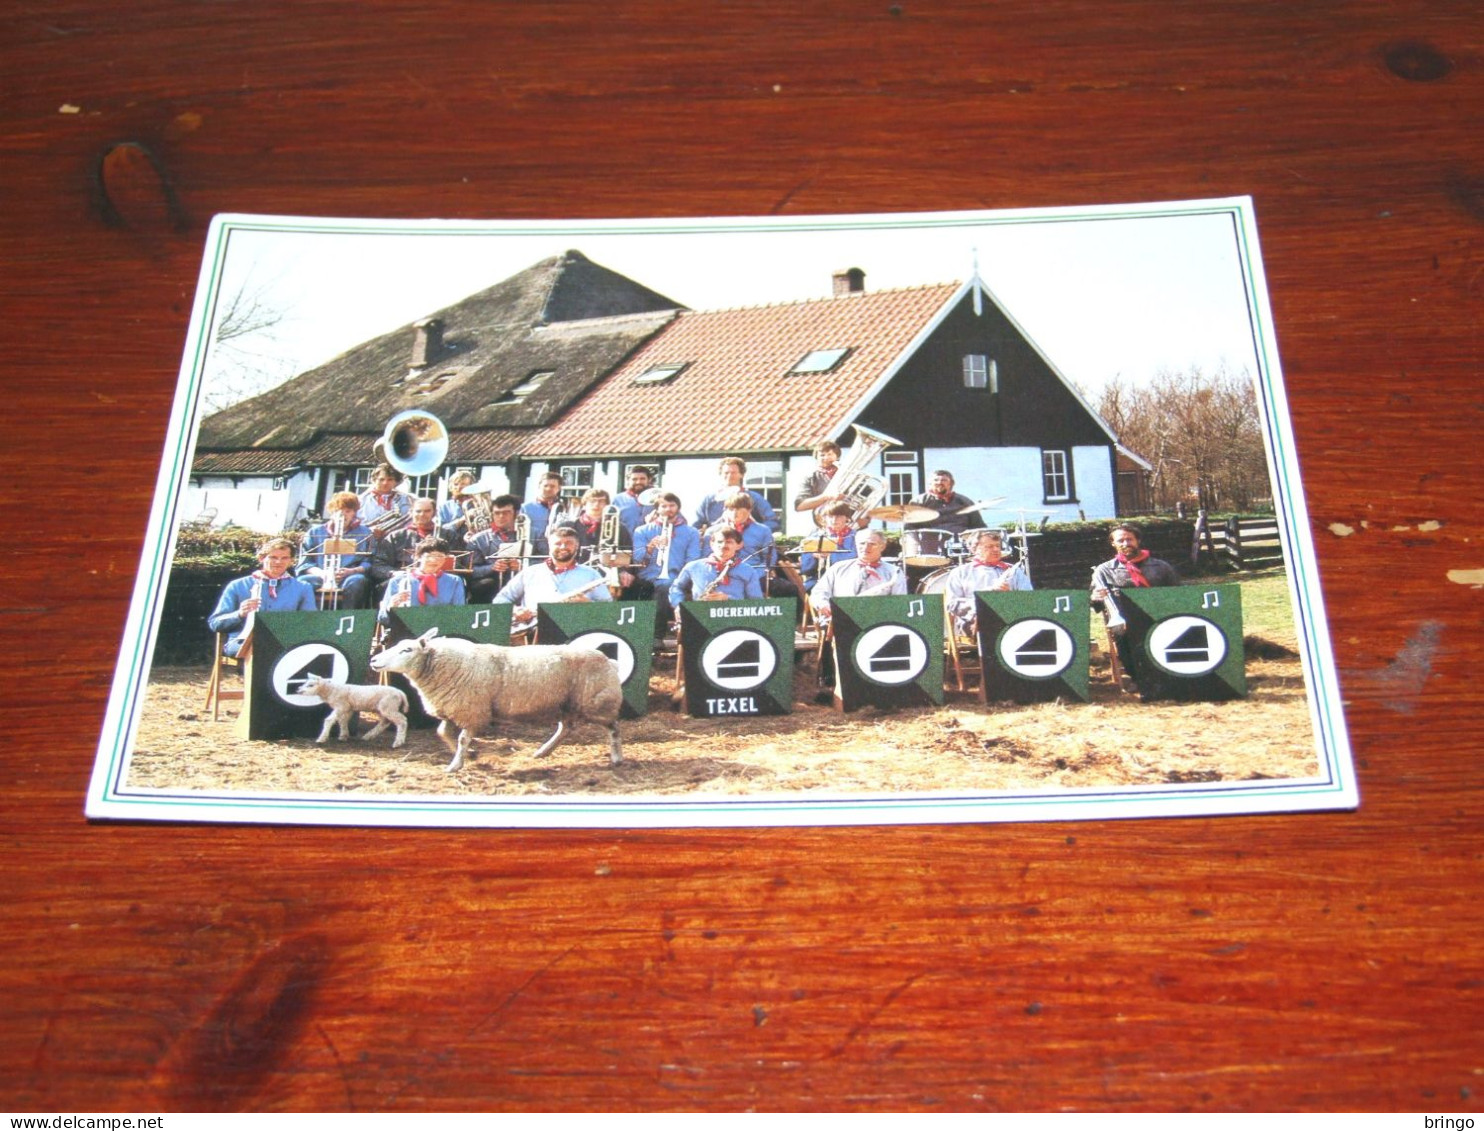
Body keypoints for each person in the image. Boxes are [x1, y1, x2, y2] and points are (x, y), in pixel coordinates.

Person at [1090, 523, 1180, 683]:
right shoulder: (1104, 570)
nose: (1126, 544)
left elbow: (1179, 594)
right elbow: (1096, 603)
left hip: (1160, 615)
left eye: (1129, 539)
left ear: (1138, 540)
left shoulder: (1161, 567)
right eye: (1121, 540)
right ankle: (1141, 679)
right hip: (1126, 621)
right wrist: (1095, 597)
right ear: (1113, 544)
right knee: (1122, 632)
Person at [207, 538, 318, 657]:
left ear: (291, 561)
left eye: (284, 558)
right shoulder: (237, 585)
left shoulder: (303, 587)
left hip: (285, 641)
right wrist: (240, 614)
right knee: (263, 647)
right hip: (243, 641)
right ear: (261, 558)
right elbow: (215, 623)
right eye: (273, 557)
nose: (278, 562)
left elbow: (309, 623)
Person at [495, 523, 612, 630]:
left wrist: (588, 604)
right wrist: (516, 611)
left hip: (577, 631)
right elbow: (500, 599)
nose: (563, 547)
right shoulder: (530, 572)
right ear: (549, 546)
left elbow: (608, 610)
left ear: (577, 546)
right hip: (534, 631)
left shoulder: (591, 574)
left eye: (568, 543)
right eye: (558, 543)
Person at [631, 492, 703, 638]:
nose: (668, 509)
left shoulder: (691, 532)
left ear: (678, 508)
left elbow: (693, 559)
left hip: (677, 576)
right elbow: (637, 560)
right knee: (660, 586)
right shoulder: (642, 530)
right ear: (657, 509)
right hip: (648, 576)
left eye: (672, 505)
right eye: (663, 506)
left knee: (665, 585)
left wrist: (682, 577)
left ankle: (657, 636)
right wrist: (650, 547)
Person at [944, 529, 1032, 639]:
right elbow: (951, 604)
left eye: (998, 546)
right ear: (974, 549)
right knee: (984, 615)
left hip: (1009, 619)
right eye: (989, 546)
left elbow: (1029, 600)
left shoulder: (1014, 571)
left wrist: (1010, 596)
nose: (996, 549)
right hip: (973, 622)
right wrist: (984, 599)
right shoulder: (961, 573)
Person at [296, 491, 376, 608]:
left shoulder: (365, 533)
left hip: (349, 576)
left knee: (357, 582)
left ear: (354, 512)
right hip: (320, 575)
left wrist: (351, 571)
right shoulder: (315, 532)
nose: (343, 515)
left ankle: (346, 618)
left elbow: (369, 561)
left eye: (348, 511)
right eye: (338, 511)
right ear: (331, 512)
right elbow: (305, 562)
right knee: (304, 582)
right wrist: (324, 574)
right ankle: (310, 620)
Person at [809, 529, 906, 622]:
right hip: (841, 622)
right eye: (862, 543)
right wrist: (824, 605)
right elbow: (819, 592)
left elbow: (900, 603)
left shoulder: (894, 572)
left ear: (882, 547)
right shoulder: (838, 568)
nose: (866, 548)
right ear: (856, 545)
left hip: (878, 624)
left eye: (872, 544)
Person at [722, 492, 798, 602]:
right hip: (725, 575)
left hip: (755, 573)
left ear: (749, 510)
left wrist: (754, 576)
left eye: (739, 509)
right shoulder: (716, 532)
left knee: (789, 589)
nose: (734, 513)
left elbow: (770, 559)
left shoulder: (763, 530)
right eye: (731, 509)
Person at [669, 526, 765, 610]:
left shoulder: (748, 571)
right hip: (700, 616)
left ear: (739, 545)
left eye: (729, 542)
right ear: (711, 544)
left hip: (734, 620)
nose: (723, 545)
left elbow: (756, 602)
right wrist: (678, 606)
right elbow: (676, 588)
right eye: (719, 542)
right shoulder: (693, 566)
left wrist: (727, 599)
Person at [378, 536, 467, 624]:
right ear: (418, 557)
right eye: (429, 556)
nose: (434, 560)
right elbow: (382, 619)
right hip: (406, 631)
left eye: (440, 556)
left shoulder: (454, 581)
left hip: (440, 629)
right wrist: (391, 607)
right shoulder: (398, 581)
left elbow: (458, 616)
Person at [369, 497, 444, 598]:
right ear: (411, 512)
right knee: (386, 586)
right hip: (403, 578)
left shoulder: (448, 535)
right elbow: (378, 565)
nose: (422, 514)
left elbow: (458, 563)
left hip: (439, 578)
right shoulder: (395, 536)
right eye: (418, 511)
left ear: (434, 513)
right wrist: (394, 573)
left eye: (427, 511)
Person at [464, 493, 527, 603]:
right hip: (491, 588)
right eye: (497, 513)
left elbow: (545, 562)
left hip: (523, 583)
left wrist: (523, 565)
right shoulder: (477, 539)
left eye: (506, 513)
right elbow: (470, 571)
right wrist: (492, 567)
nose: (501, 517)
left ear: (516, 514)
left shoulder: (533, 534)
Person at [692, 457, 780, 534]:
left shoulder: (755, 498)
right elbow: (696, 524)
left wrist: (754, 532)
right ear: (720, 474)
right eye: (726, 473)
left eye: (733, 472)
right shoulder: (709, 500)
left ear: (741, 475)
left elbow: (772, 522)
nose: (729, 476)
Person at [904, 469, 984, 538]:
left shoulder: (965, 501)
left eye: (944, 480)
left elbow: (979, 526)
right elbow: (909, 529)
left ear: (951, 484)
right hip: (930, 545)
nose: (939, 482)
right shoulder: (919, 502)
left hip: (961, 545)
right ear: (930, 484)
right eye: (935, 480)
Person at [797, 504, 858, 595]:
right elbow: (805, 569)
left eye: (839, 516)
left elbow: (855, 559)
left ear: (847, 518)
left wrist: (831, 554)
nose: (834, 520)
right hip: (819, 580)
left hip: (848, 579)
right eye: (830, 516)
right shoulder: (815, 536)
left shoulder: (855, 536)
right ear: (824, 518)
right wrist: (814, 556)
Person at [793, 440, 850, 521]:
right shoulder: (810, 478)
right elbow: (799, 506)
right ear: (816, 457)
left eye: (830, 454)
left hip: (851, 522)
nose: (826, 458)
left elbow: (866, 499)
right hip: (825, 522)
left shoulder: (849, 474)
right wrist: (826, 497)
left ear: (837, 457)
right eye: (822, 455)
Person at [520, 471, 568, 554]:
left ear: (559, 488)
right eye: (545, 486)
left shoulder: (565, 507)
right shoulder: (525, 508)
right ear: (539, 486)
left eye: (552, 486)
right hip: (533, 552)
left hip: (560, 549)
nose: (548, 489)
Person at [358, 463, 415, 534]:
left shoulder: (408, 500)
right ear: (374, 480)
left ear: (396, 482)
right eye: (381, 479)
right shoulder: (360, 500)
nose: (385, 483)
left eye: (390, 479)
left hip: (397, 540)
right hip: (367, 540)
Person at [612, 466, 656, 537]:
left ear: (649, 479)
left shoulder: (659, 498)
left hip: (652, 543)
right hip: (625, 544)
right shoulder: (617, 500)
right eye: (634, 479)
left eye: (642, 479)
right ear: (628, 480)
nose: (638, 482)